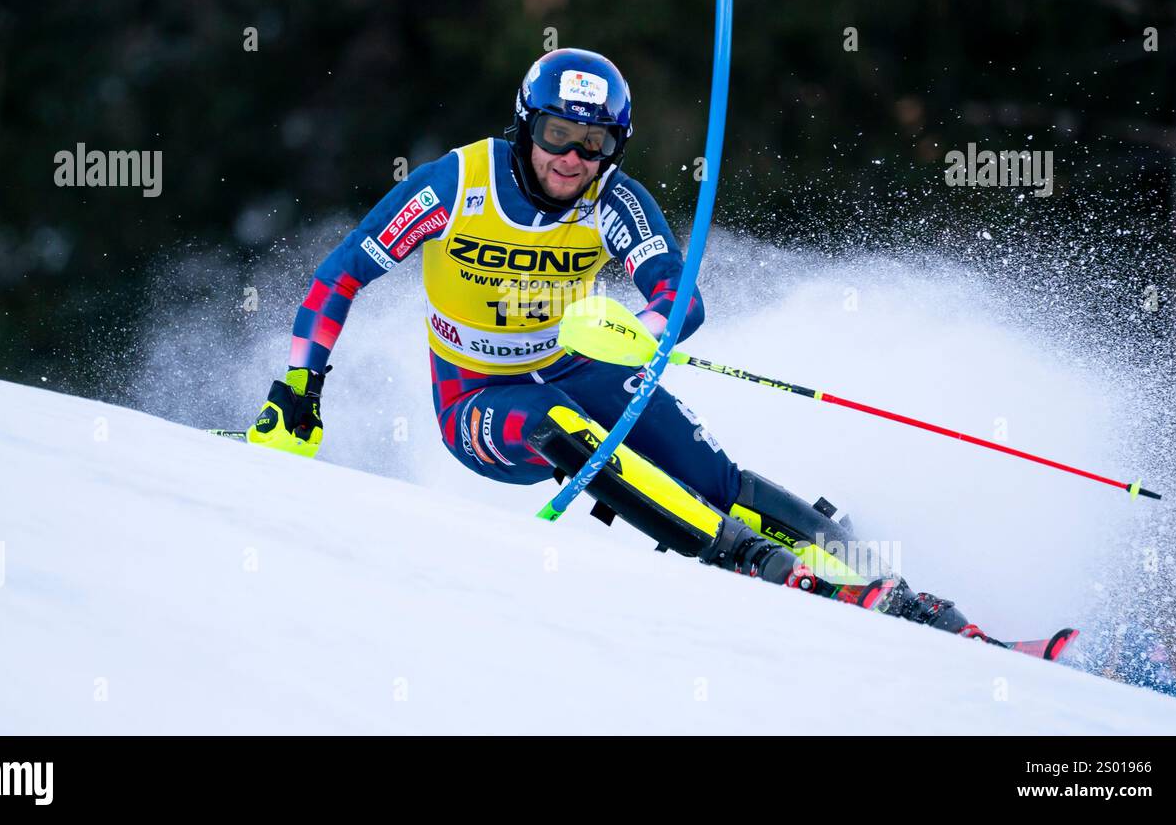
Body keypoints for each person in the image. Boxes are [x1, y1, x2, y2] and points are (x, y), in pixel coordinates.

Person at [247, 47, 973, 633]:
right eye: (557, 134)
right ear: (525, 127)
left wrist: (646, 331)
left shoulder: (613, 201)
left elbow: (680, 296)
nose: (571, 158)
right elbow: (339, 276)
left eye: (593, 143)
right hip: (477, 401)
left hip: (581, 367)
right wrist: (300, 389)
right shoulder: (457, 184)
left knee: (716, 479)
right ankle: (752, 562)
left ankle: (893, 586)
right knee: (562, 429)